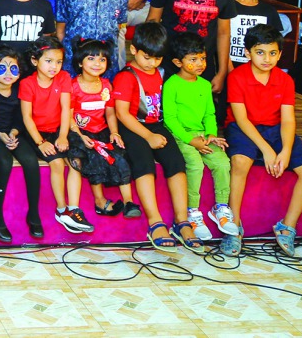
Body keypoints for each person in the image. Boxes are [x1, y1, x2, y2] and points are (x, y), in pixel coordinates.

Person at [222, 24, 302, 257]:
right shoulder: (236, 77)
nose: (267, 59)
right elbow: (242, 119)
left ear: (280, 54)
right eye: (260, 52)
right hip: (243, 127)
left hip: (275, 128)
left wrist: (285, 150)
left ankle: (287, 226)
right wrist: (266, 150)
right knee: (240, 163)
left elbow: (287, 120)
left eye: (273, 53)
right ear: (247, 53)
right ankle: (233, 226)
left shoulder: (285, 81)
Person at [111, 23, 197, 250]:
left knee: (176, 162)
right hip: (132, 127)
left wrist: (155, 133)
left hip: (155, 125)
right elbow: (121, 113)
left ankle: (181, 220)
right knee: (144, 164)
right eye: (147, 57)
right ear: (134, 51)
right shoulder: (126, 76)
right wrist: (148, 136)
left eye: (158, 58)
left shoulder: (160, 73)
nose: (152, 63)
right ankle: (154, 220)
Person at [163, 33, 236, 248]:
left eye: (203, 58)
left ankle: (220, 208)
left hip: (202, 134)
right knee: (194, 164)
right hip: (180, 134)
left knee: (222, 163)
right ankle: (192, 212)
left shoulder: (204, 85)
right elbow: (170, 119)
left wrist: (212, 134)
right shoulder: (172, 84)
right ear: (178, 62)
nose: (200, 64)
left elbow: (209, 115)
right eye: (193, 59)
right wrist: (190, 140)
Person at [20, 36, 93, 234]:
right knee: (58, 164)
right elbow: (27, 118)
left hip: (59, 129)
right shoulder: (27, 84)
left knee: (76, 161)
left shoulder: (63, 78)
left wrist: (62, 136)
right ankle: (61, 210)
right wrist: (41, 142)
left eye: (59, 62)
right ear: (35, 61)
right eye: (49, 61)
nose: (54, 66)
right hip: (37, 133)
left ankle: (74, 208)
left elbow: (65, 109)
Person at [64, 39, 135, 221]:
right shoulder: (72, 86)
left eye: (102, 60)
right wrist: (80, 136)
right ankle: (99, 200)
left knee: (119, 155)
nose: (97, 63)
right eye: (91, 58)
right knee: (93, 158)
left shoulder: (106, 85)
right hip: (79, 132)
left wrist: (114, 132)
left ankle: (129, 202)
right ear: (80, 62)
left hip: (102, 130)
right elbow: (69, 116)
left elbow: (110, 113)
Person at [0, 46, 43, 243]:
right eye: (1, 69)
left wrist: (13, 133)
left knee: (30, 161)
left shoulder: (20, 90)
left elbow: (21, 119)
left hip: (11, 134)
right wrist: (0, 135)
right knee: (4, 162)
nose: (8, 73)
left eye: (14, 69)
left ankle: (33, 214)